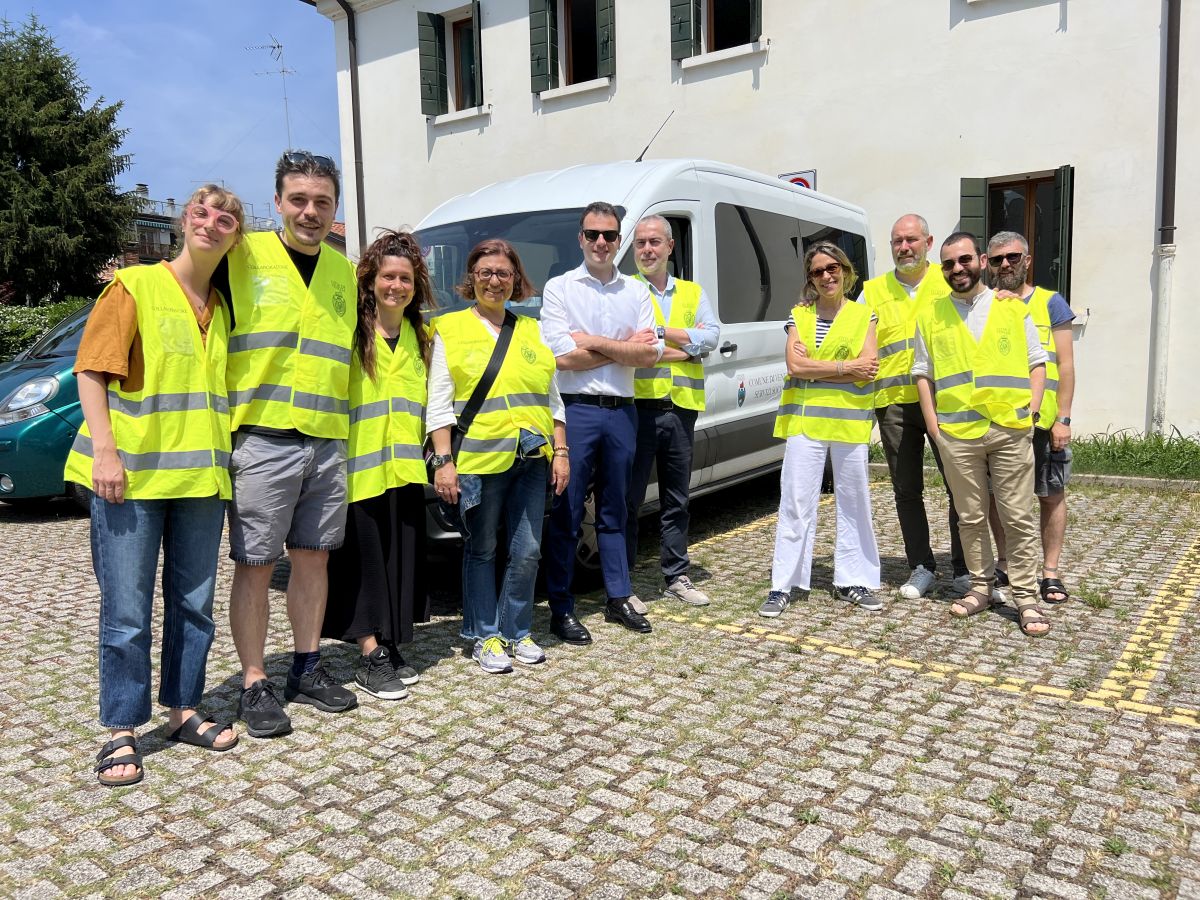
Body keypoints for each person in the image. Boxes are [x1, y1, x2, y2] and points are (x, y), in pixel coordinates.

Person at [67, 185, 245, 786]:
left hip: (200, 481)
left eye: (226, 219)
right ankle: (122, 728)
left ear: (235, 238)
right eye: (201, 212)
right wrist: (106, 452)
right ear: (184, 221)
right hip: (131, 479)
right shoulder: (135, 285)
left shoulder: (222, 308)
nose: (212, 223)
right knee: (127, 613)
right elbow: (91, 370)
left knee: (194, 607)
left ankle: (182, 711)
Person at [222, 151, 359, 737]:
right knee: (256, 564)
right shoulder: (242, 255)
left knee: (314, 558)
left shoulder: (343, 272)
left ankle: (306, 665)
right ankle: (255, 682)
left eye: (322, 202)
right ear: (277, 201)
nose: (310, 211)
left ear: (335, 208)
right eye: (298, 200)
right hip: (262, 438)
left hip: (325, 439)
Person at [427, 239, 569, 672]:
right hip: (478, 459)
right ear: (471, 278)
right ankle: (484, 635)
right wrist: (443, 462)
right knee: (482, 549)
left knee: (527, 551)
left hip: (531, 456)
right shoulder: (450, 329)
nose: (494, 281)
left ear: (515, 279)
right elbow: (438, 404)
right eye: (485, 272)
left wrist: (561, 450)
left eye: (503, 273)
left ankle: (516, 631)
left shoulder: (532, 329)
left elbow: (552, 398)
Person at [913, 233, 1050, 636]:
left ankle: (1025, 598)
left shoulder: (1011, 308)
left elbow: (1037, 362)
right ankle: (981, 588)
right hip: (957, 432)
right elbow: (923, 373)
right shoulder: (931, 315)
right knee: (970, 517)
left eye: (964, 260)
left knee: (1017, 516)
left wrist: (1032, 412)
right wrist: (934, 426)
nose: (957, 269)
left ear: (982, 260)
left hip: (1009, 429)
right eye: (949, 264)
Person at [540, 202, 663, 645]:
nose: (600, 242)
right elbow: (561, 357)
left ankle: (618, 596)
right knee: (568, 513)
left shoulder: (636, 291)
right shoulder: (560, 288)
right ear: (581, 238)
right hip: (576, 411)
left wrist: (590, 341)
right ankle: (561, 607)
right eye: (593, 234)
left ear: (618, 239)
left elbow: (650, 354)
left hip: (622, 411)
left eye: (609, 235)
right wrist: (621, 346)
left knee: (617, 509)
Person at [321, 231, 433, 699]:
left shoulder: (422, 337)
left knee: (396, 563)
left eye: (405, 278)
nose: (396, 286)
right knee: (362, 567)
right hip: (358, 469)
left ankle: (388, 643)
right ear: (370, 281)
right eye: (388, 276)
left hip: (404, 469)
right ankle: (369, 655)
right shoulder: (352, 331)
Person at [760, 241, 881, 618]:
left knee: (854, 501)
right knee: (795, 502)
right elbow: (797, 367)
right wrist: (845, 368)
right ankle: (782, 586)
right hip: (806, 422)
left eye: (833, 268)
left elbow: (869, 367)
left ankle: (853, 580)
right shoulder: (799, 315)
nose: (826, 276)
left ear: (845, 270)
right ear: (810, 279)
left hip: (849, 423)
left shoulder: (865, 315)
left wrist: (818, 367)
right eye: (817, 271)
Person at [861, 214, 968, 600]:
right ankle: (921, 566)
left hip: (946, 400)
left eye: (911, 240)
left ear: (928, 242)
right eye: (897, 241)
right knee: (906, 490)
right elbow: (848, 330)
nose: (904, 247)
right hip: (894, 404)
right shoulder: (872, 291)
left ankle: (964, 568)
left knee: (960, 486)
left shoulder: (950, 278)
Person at [624, 215, 720, 609]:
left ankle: (676, 576)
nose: (647, 250)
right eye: (640, 243)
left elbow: (712, 337)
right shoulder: (625, 291)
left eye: (654, 242)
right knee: (628, 500)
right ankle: (623, 584)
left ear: (669, 246)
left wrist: (662, 335)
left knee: (676, 499)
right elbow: (629, 346)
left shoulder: (693, 292)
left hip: (681, 410)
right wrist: (686, 349)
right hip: (637, 409)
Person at [982, 231, 1076, 606]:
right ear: (988, 265)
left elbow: (1065, 366)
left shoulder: (1051, 303)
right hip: (999, 422)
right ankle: (1004, 563)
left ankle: (1049, 572)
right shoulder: (984, 305)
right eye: (997, 259)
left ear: (1027, 260)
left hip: (1043, 422)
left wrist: (1063, 418)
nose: (1005, 264)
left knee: (1050, 496)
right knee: (997, 499)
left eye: (1012, 257)